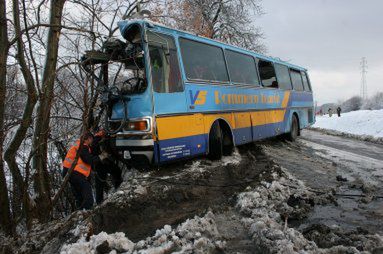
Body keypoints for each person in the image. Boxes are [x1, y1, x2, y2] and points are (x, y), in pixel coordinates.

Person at [62, 132, 109, 210]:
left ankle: (80, 211)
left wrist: (100, 134)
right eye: (91, 139)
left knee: (79, 194)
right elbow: (88, 160)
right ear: (88, 139)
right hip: (74, 172)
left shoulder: (78, 144)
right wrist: (101, 157)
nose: (92, 142)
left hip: (69, 172)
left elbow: (84, 160)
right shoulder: (83, 146)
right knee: (87, 191)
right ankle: (87, 210)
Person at [92, 129, 123, 205]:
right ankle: (99, 202)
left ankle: (118, 188)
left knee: (116, 171)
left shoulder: (106, 138)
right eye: (101, 131)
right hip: (100, 164)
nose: (102, 132)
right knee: (100, 183)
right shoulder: (95, 140)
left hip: (105, 162)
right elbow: (94, 152)